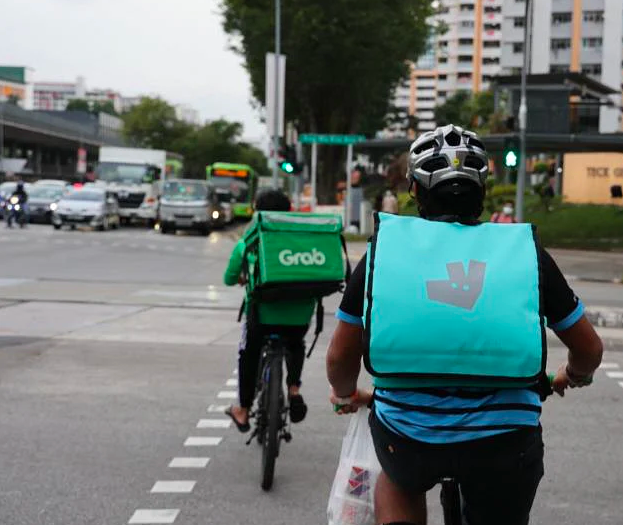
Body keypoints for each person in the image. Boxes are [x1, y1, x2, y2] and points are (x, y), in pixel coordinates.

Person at [326, 124, 603, 525]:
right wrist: (574, 375)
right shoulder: (525, 253)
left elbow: (340, 356)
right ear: (483, 191)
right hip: (506, 443)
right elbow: (589, 349)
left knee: (397, 478)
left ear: (416, 192)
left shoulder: (383, 253)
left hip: (408, 440)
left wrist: (344, 392)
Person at [222, 189, 314, 431]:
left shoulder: (250, 241)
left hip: (262, 317)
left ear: (257, 211)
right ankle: (294, 390)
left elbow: (229, 278)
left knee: (249, 353)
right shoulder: (306, 239)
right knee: (295, 344)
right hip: (300, 316)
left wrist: (244, 277)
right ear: (289, 211)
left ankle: (242, 410)